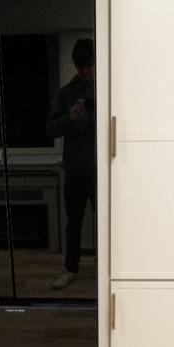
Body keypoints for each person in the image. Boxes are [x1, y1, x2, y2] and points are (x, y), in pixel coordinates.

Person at [46, 38, 96, 289]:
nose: (86, 71)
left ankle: (105, 267)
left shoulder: (107, 87)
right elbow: (50, 129)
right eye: (81, 66)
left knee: (106, 223)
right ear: (76, 66)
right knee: (73, 224)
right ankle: (70, 268)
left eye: (89, 65)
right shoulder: (66, 93)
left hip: (102, 171)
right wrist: (70, 116)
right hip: (74, 171)